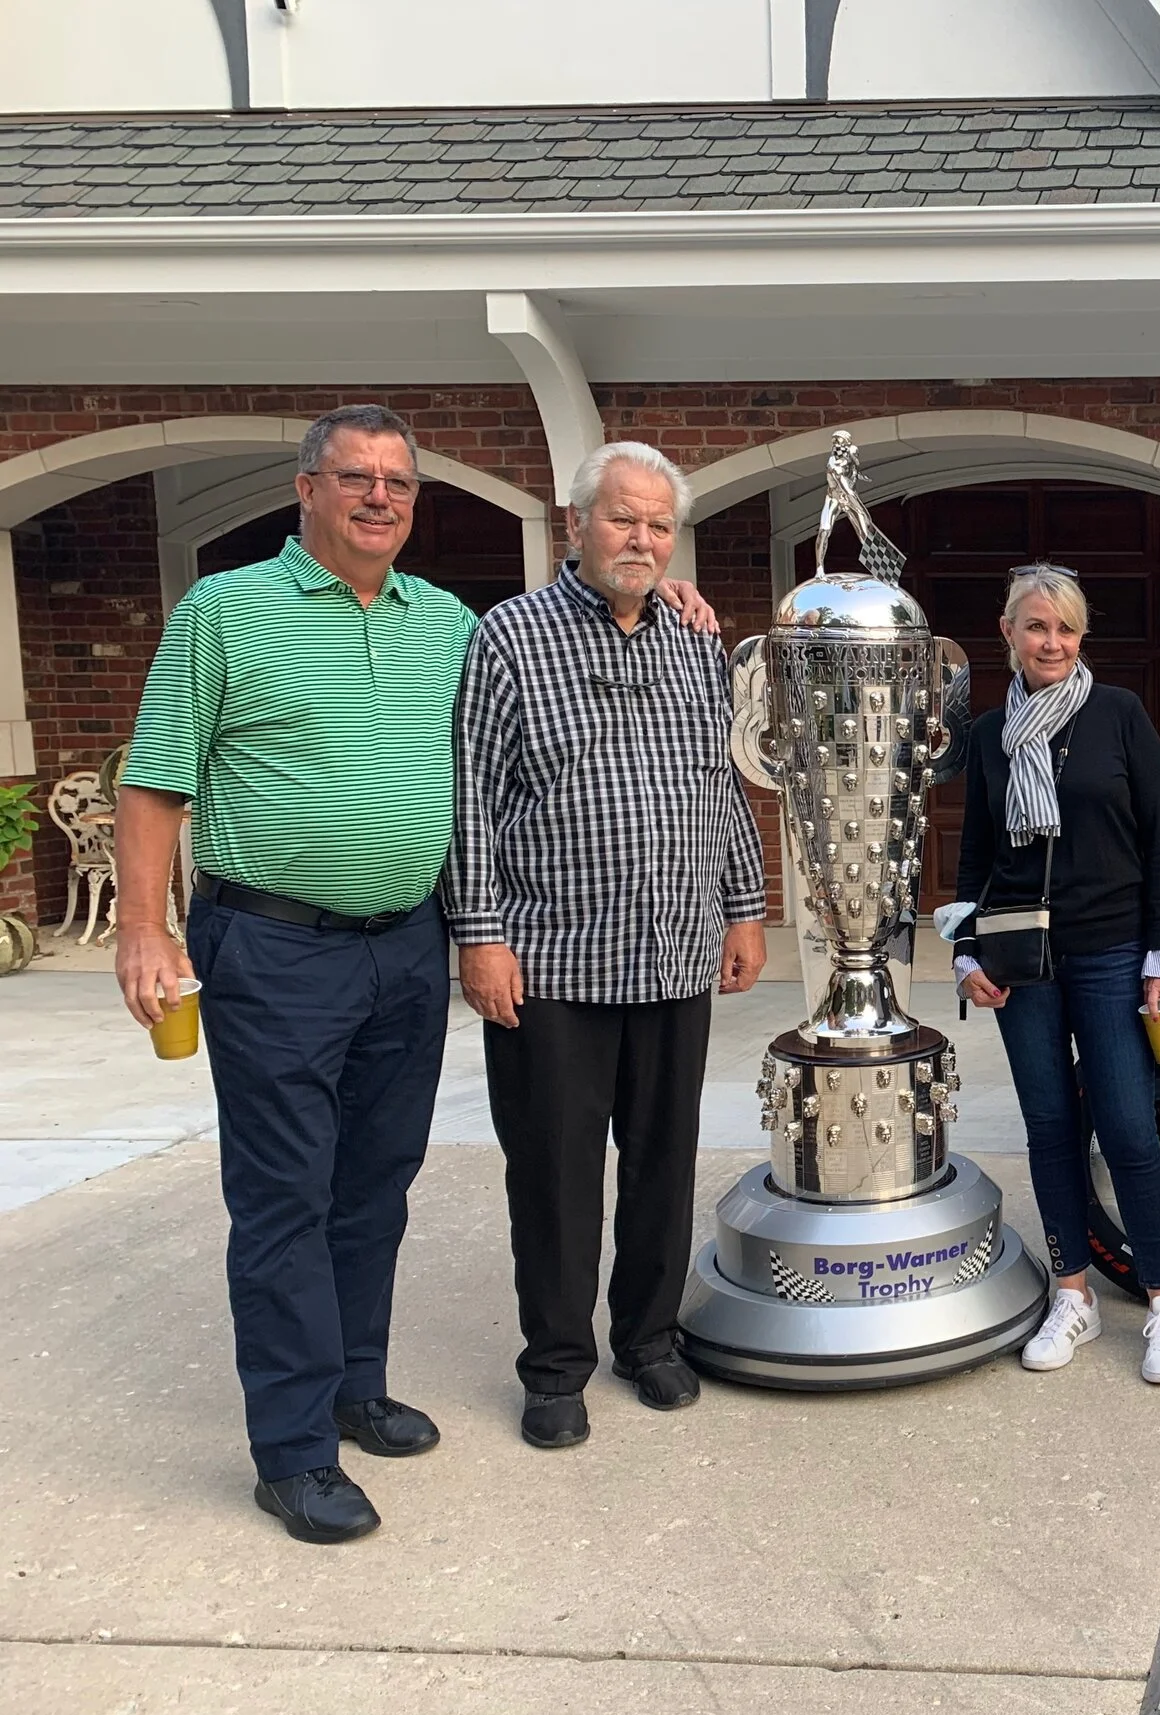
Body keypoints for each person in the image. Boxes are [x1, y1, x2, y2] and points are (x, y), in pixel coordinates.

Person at [112, 404, 722, 1545]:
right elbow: (154, 779)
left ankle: (355, 1386)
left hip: (401, 947)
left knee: (373, 1188)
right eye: (356, 478)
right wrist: (143, 926)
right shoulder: (225, 610)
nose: (380, 496)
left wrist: (672, 597)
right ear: (307, 490)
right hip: (273, 943)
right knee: (286, 1198)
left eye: (397, 481)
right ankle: (293, 1453)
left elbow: (576, 644)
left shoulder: (447, 623)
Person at [446, 441, 767, 1450]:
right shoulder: (508, 639)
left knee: (664, 1162)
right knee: (554, 1172)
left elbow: (719, 786)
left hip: (674, 954)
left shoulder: (689, 641)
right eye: (624, 518)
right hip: (552, 965)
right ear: (576, 520)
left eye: (659, 525)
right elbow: (471, 798)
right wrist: (480, 936)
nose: (641, 538)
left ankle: (649, 1340)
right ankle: (554, 1368)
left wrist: (745, 904)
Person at [953, 565, 1160, 1385]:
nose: (1050, 641)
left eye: (1064, 628)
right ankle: (1073, 1293)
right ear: (1008, 632)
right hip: (1021, 959)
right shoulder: (990, 734)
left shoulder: (1119, 715)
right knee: (1051, 1128)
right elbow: (976, 852)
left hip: (1112, 950)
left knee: (1128, 1126)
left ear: (1082, 637)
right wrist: (964, 951)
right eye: (1035, 626)